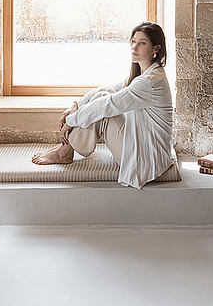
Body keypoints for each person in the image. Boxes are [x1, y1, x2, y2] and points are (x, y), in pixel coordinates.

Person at [30, 21, 175, 189]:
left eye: (142, 43)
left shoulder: (149, 82)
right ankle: (66, 148)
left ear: (156, 49)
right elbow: (107, 90)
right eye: (133, 41)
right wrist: (76, 104)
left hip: (146, 159)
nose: (134, 47)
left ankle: (65, 151)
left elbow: (108, 104)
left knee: (103, 110)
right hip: (144, 146)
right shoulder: (145, 74)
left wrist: (71, 121)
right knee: (101, 97)